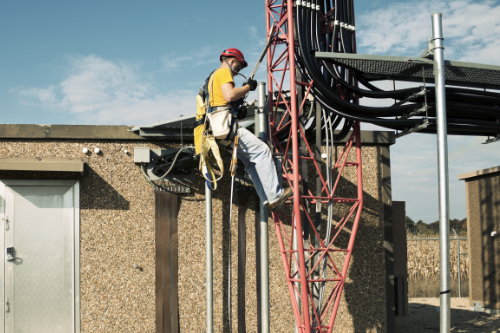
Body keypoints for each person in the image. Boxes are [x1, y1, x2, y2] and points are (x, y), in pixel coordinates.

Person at [206, 48, 292, 211]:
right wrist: (247, 88)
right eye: (238, 67)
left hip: (218, 128)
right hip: (227, 126)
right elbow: (229, 95)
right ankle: (275, 195)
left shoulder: (212, 77)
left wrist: (236, 109)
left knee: (251, 162)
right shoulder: (224, 72)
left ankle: (267, 199)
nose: (238, 72)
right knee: (262, 151)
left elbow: (221, 101)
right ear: (232, 61)